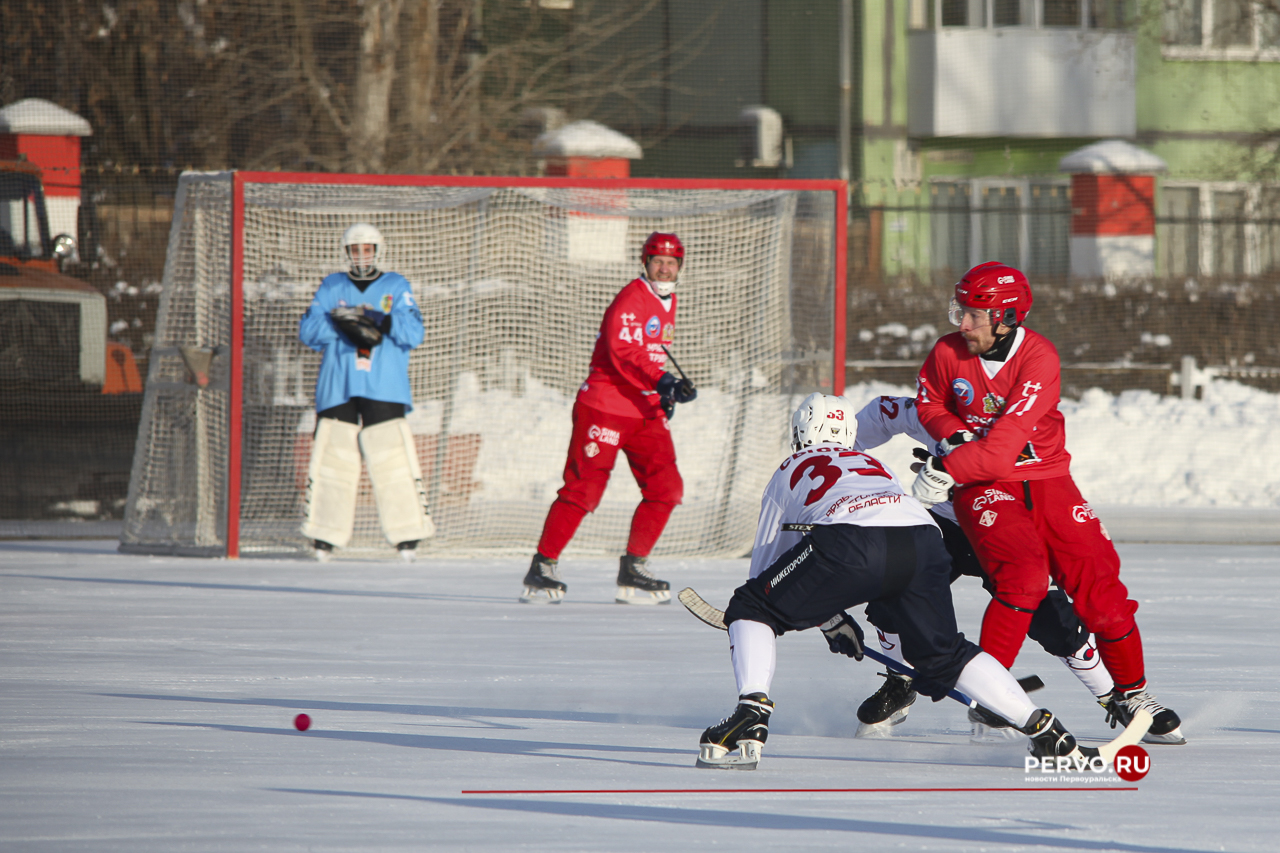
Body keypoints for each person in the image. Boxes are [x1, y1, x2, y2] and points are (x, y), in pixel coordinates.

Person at [697, 393, 1101, 769]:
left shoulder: (789, 468)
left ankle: (751, 714)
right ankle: (1045, 731)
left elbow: (768, 574)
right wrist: (830, 618)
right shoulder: (871, 464)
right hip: (925, 540)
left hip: (851, 542)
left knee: (753, 607)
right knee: (944, 653)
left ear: (801, 430)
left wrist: (811, 616)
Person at [909, 261, 1184, 745]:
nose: (963, 324)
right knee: (1024, 578)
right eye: (961, 311)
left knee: (1102, 596)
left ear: (1007, 317)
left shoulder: (1038, 358)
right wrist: (953, 437)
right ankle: (992, 695)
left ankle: (1132, 694)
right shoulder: (948, 352)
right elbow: (930, 402)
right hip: (984, 486)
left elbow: (1000, 449)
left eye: (975, 314)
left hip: (1046, 480)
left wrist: (946, 468)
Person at [849, 395, 1115, 738]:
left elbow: (1046, 486)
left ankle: (1116, 696)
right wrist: (837, 461)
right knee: (894, 589)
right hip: (946, 524)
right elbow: (877, 417)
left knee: (1051, 617)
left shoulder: (1021, 422)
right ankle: (902, 678)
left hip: (1004, 528)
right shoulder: (930, 411)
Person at [520, 232, 697, 605]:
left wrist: (663, 393)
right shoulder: (632, 298)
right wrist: (663, 381)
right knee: (583, 489)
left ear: (680, 267)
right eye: (657, 261)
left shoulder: (669, 300)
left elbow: (652, 353)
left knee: (667, 489)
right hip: (606, 406)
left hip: (643, 409)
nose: (664, 268)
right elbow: (625, 352)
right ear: (644, 263)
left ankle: (634, 567)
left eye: (671, 262)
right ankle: (543, 565)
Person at [298, 223, 435, 562]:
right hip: (338, 384)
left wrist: (381, 321)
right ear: (346, 253)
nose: (361, 256)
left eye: (367, 249)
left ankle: (408, 535)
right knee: (333, 459)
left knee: (392, 459)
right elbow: (308, 330)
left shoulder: (395, 285)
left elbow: (414, 332)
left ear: (378, 250)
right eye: (355, 250)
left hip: (383, 383)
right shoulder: (332, 286)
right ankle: (323, 536)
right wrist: (342, 320)